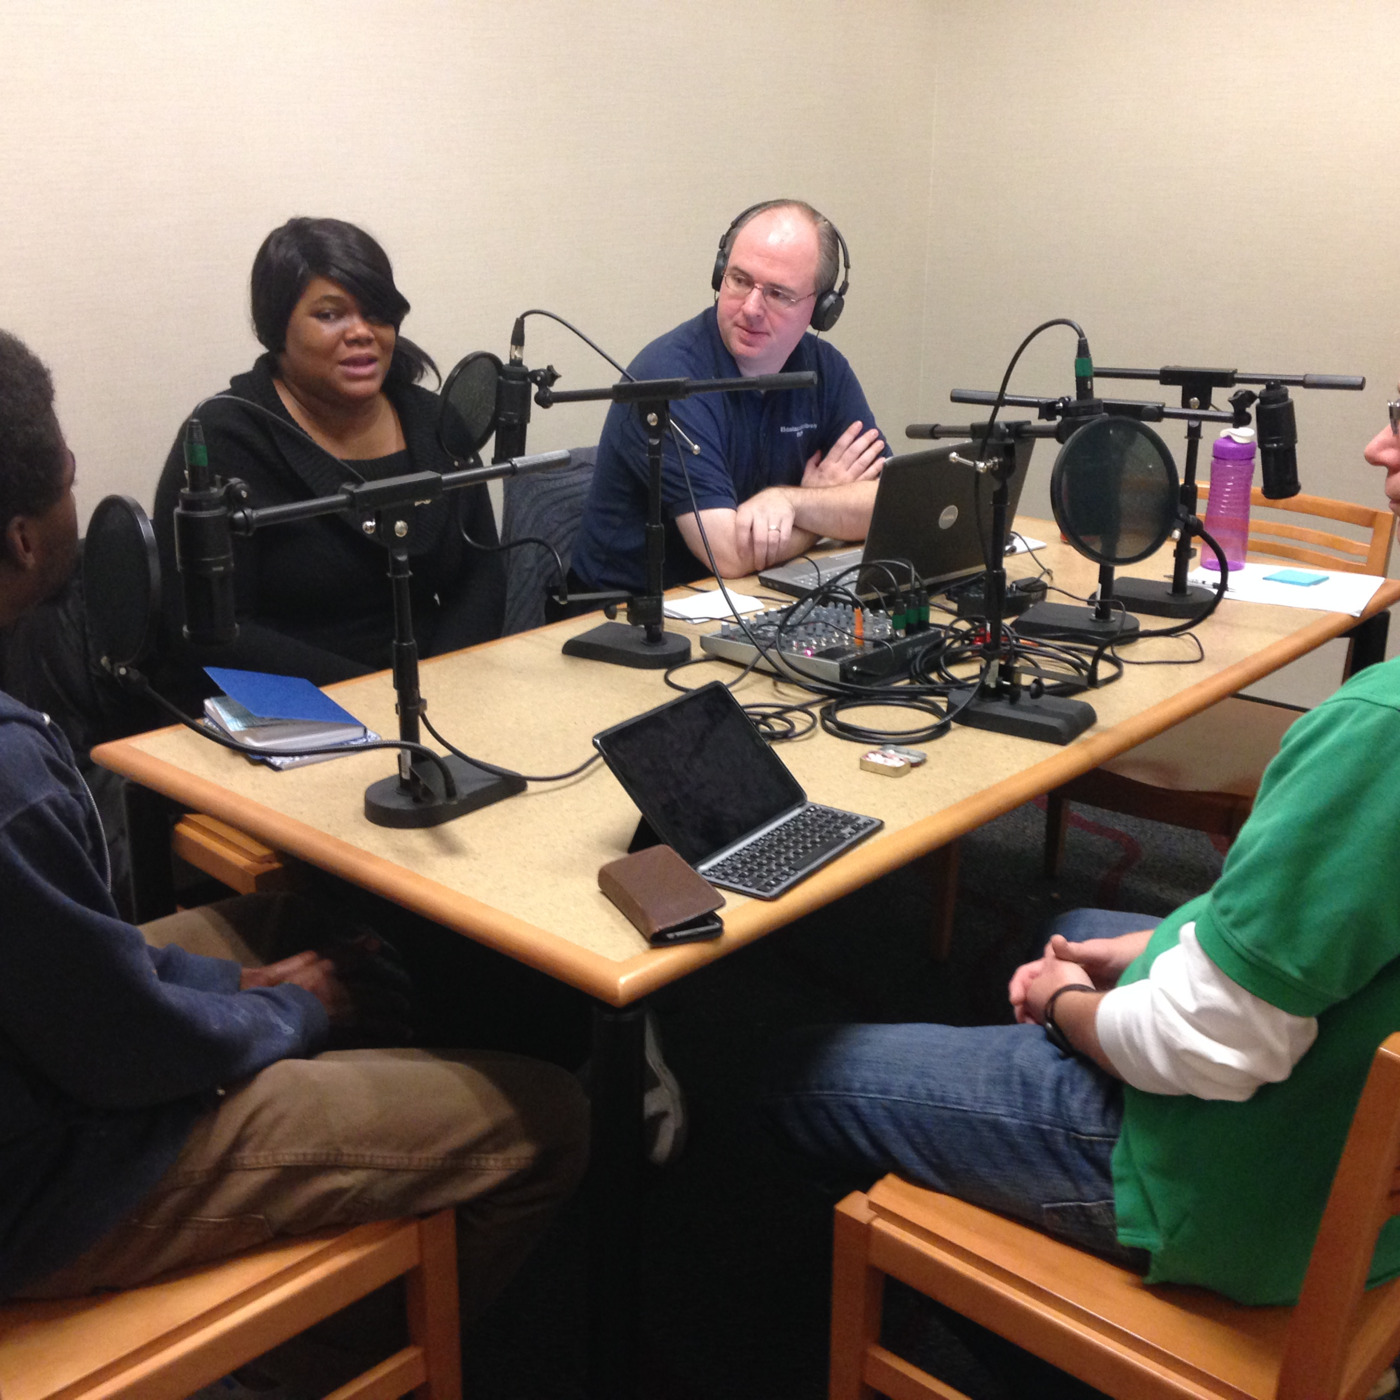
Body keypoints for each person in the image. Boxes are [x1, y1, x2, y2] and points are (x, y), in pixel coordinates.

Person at [762, 391, 1400, 1308]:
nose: (1378, 446)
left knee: (797, 1073)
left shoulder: (1379, 731)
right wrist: (1154, 949)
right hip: (1337, 1120)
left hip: (1234, 1191)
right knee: (1068, 928)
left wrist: (1065, 1008)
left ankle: (989, 1329)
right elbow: (1326, 923)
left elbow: (1207, 1049)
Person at [0, 328, 587, 1315]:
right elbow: (119, 1051)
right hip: (56, 1180)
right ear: (24, 537)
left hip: (54, 1066)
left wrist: (240, 985)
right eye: (66, 475)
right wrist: (289, 1013)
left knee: (300, 927)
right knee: (551, 1118)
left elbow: (72, 974)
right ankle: (312, 1359)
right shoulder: (12, 778)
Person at [152, 217, 505, 704]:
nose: (361, 332)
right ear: (278, 328)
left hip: (440, 699)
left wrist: (440, 686)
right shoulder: (223, 438)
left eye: (376, 313)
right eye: (330, 314)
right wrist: (379, 698)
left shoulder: (434, 421)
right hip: (293, 711)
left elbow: (482, 575)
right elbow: (214, 633)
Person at [570, 199, 888, 596]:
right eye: (739, 280)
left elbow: (888, 508)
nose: (751, 308)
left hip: (751, 598)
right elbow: (730, 555)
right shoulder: (668, 376)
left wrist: (793, 504)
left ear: (822, 309)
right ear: (720, 274)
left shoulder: (826, 370)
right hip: (631, 614)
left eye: (778, 294)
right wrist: (821, 504)